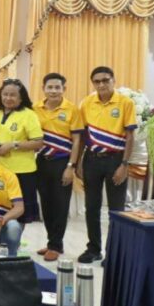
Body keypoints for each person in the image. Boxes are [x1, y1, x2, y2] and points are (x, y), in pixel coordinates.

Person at [76, 66, 136, 263]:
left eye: (105, 80)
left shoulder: (125, 103)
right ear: (93, 83)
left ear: (113, 81)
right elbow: (82, 135)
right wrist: (78, 163)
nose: (101, 84)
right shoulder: (87, 103)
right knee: (91, 207)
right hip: (91, 160)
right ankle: (93, 249)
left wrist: (124, 165)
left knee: (116, 210)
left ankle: (114, 253)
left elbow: (130, 136)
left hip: (116, 160)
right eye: (97, 81)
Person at [33, 73, 85, 261]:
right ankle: (52, 243)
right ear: (43, 88)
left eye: (57, 87)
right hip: (41, 162)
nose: (53, 91)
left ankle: (56, 245)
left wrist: (71, 166)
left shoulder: (72, 110)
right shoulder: (35, 108)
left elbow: (77, 140)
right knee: (46, 205)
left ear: (64, 89)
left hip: (63, 162)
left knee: (60, 205)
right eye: (50, 87)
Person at [0, 79, 44, 224]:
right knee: (0, 209)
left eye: (13, 95)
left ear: (21, 98)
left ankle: (14, 238)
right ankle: (1, 237)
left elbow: (38, 142)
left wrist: (13, 145)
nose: (8, 98)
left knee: (21, 213)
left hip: (23, 171)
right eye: (5, 94)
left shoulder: (28, 115)